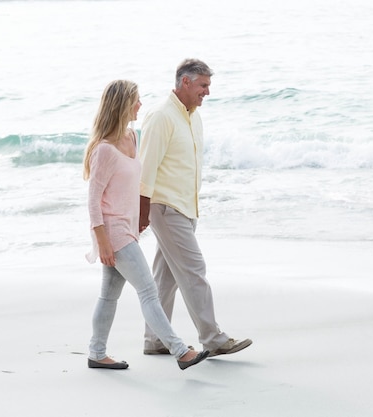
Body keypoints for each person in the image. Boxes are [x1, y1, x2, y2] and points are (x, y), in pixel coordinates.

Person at [83, 79, 210, 371]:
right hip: (113, 234)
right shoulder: (103, 150)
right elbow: (93, 201)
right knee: (149, 292)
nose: (140, 105)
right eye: (136, 100)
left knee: (108, 296)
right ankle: (180, 351)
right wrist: (101, 240)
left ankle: (96, 352)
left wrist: (139, 219)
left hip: (127, 231)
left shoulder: (131, 136)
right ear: (122, 104)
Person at [138, 59, 252, 357]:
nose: (207, 93)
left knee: (167, 277)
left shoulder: (192, 116)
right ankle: (212, 337)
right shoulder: (162, 116)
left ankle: (155, 339)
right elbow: (145, 167)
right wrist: (140, 212)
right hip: (166, 207)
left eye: (209, 86)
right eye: (203, 86)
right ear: (185, 83)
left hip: (187, 208)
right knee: (194, 270)